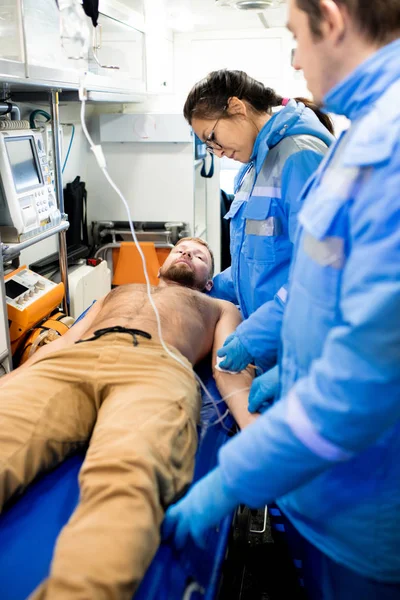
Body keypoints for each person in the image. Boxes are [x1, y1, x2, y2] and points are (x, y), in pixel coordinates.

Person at [164, 1, 400, 599]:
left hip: (359, 498)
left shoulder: (356, 153)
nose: (294, 59)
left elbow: (363, 370)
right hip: (319, 463)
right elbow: (319, 290)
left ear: (332, 17)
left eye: (296, 36)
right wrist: (284, 363)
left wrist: (233, 477)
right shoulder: (355, 143)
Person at [0, 237, 255, 600]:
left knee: (128, 477)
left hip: (157, 366)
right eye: (181, 249)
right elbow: (64, 342)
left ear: (208, 281)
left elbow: (229, 368)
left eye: (199, 256)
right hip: (74, 361)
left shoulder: (218, 305)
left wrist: (255, 434)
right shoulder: (115, 294)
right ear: (160, 266)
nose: (186, 253)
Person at [183, 70, 334, 398]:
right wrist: (206, 288)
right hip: (275, 344)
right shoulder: (255, 167)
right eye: (209, 146)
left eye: (213, 137)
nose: (217, 152)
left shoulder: (299, 157)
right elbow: (257, 261)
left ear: (236, 107)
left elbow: (320, 272)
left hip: (302, 346)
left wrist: (254, 336)